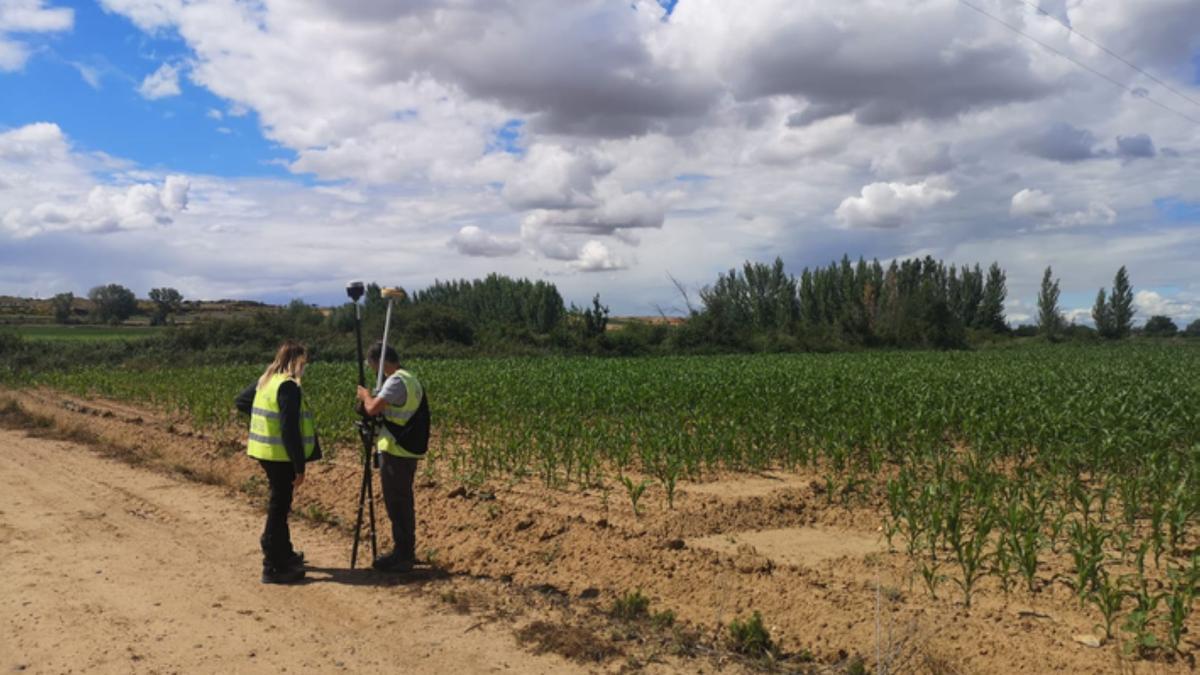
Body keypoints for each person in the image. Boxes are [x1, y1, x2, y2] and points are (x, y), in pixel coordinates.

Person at [234, 341, 322, 584]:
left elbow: (241, 401)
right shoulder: (288, 387)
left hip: (265, 452)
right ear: (297, 362)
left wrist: (262, 423)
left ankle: (284, 553)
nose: (305, 368)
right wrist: (299, 466)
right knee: (279, 507)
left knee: (280, 502)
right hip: (280, 456)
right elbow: (289, 430)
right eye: (304, 363)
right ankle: (273, 564)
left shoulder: (267, 380)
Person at [356, 341, 430, 573]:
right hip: (403, 449)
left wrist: (365, 395)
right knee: (402, 501)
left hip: (398, 451)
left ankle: (403, 554)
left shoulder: (397, 380)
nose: (372, 371)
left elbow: (373, 408)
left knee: (397, 503)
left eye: (372, 366)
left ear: (380, 362)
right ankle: (405, 550)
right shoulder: (410, 378)